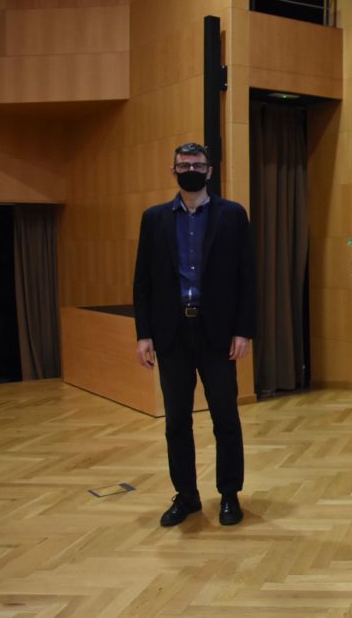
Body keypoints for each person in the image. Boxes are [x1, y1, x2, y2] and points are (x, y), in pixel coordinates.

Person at [133, 142, 255, 527]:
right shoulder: (154, 219)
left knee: (225, 418)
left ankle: (230, 495)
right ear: (173, 171)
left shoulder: (232, 215)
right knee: (176, 422)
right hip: (172, 334)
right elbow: (143, 281)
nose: (190, 169)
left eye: (197, 164)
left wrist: (244, 330)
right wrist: (144, 334)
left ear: (209, 171)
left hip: (217, 333)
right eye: (183, 164)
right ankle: (186, 496)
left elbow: (246, 277)